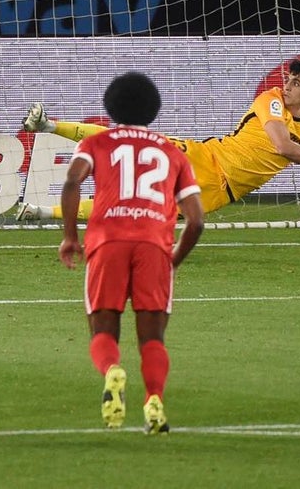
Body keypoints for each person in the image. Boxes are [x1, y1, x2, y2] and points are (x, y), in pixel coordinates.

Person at [17, 58, 300, 220]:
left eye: (295, 83)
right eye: (287, 79)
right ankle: (48, 125)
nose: (286, 86)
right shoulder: (271, 100)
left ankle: (40, 212)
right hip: (205, 156)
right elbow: (281, 145)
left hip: (219, 191)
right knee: (131, 137)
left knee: (139, 209)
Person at [58, 71, 205, 434]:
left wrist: (70, 236)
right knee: (152, 338)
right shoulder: (172, 152)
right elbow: (197, 220)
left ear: (109, 107)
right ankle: (154, 400)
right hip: (154, 245)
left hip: (107, 242)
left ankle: (112, 371)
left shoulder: (96, 143)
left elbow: (72, 180)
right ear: (154, 109)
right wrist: (173, 261)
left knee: (103, 329)